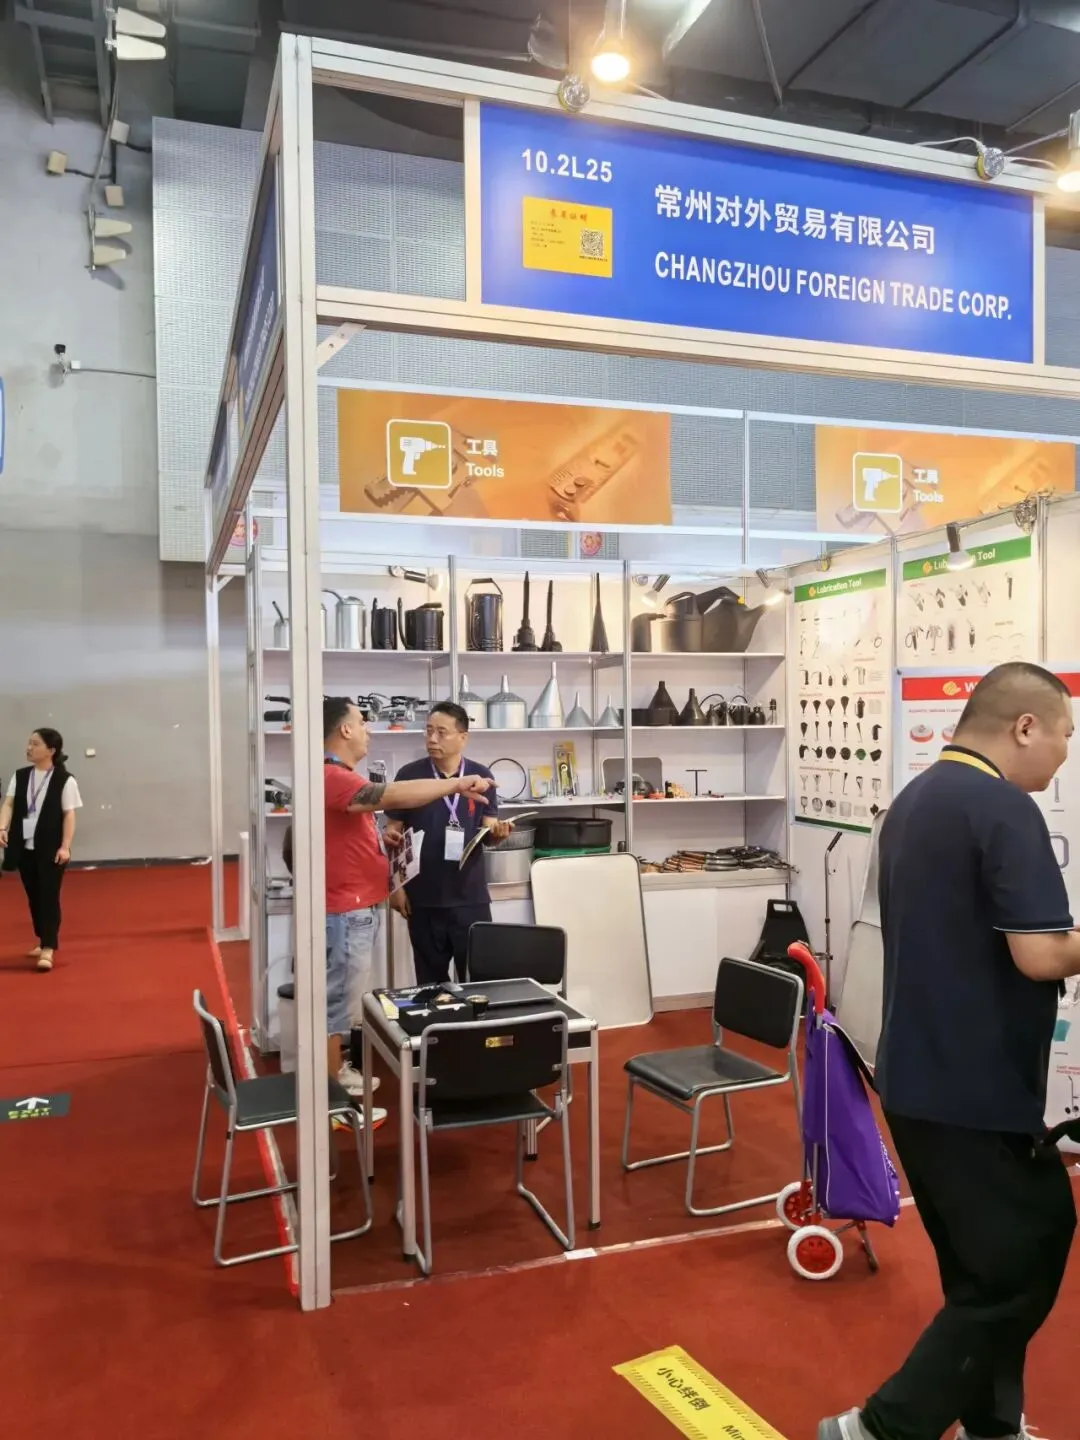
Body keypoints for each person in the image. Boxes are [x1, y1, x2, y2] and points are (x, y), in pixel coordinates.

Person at [820, 663, 1079, 1440]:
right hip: (974, 1086)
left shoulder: (916, 800)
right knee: (1023, 1264)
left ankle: (993, 1426)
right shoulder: (1003, 809)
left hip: (919, 1076)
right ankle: (878, 1430)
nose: (1065, 753)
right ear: (1025, 727)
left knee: (981, 1270)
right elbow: (1041, 953)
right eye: (1065, 735)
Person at [319, 697, 493, 1114]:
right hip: (353, 910)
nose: (368, 730)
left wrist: (379, 842)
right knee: (337, 1008)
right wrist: (455, 785)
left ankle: (337, 1080)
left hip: (379, 907)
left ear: (462, 737)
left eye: (441, 731)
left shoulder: (340, 776)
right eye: (362, 722)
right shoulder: (335, 776)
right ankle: (331, 1098)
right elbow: (391, 796)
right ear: (345, 729)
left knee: (342, 1005)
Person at [383, 701, 511, 985]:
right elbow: (393, 833)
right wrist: (395, 887)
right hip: (423, 898)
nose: (432, 738)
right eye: (428, 731)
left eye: (441, 732)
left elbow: (488, 831)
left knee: (477, 981)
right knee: (430, 985)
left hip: (470, 898)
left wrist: (498, 834)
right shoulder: (409, 775)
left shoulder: (481, 777)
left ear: (463, 737)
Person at [0, 728, 82, 972]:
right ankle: (42, 937)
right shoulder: (20, 776)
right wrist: (2, 826)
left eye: (35, 744)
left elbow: (69, 814)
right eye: (29, 743)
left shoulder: (65, 780)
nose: (29, 748)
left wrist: (65, 846)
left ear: (51, 750)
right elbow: (9, 804)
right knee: (34, 896)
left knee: (49, 896)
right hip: (24, 847)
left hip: (51, 848)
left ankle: (48, 946)